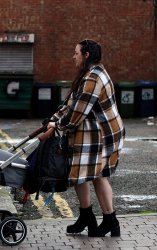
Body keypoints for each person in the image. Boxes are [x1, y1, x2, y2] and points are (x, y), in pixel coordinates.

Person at [48, 39, 125, 237]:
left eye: (76, 53)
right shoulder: (89, 74)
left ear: (86, 55)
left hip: (103, 134)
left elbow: (78, 113)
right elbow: (72, 103)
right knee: (79, 173)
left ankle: (110, 220)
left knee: (98, 176)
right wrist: (53, 118)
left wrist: (58, 125)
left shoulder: (93, 78)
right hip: (92, 132)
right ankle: (87, 216)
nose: (73, 57)